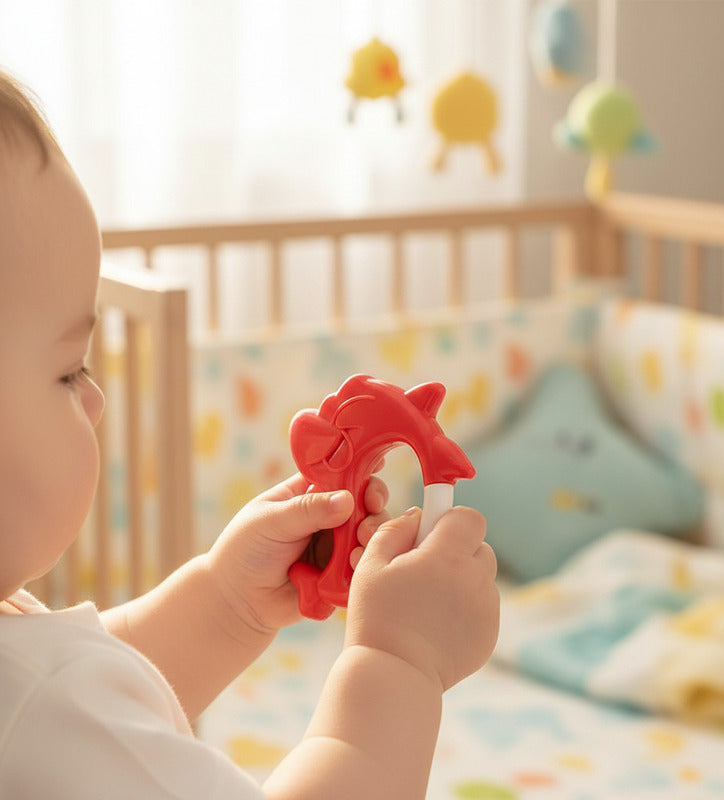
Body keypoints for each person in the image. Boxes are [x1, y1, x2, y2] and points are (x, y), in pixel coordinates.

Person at [0, 70, 500, 800]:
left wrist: (226, 601)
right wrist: (399, 662)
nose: (97, 399)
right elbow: (68, 698)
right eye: (70, 371)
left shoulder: (37, 696)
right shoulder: (44, 707)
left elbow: (102, 682)